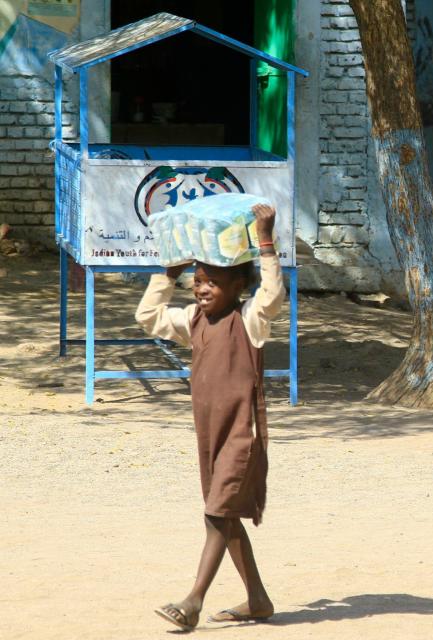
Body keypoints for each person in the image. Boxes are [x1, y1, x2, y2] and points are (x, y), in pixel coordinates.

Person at [135, 204, 284, 630]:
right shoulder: (193, 320)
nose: (202, 289)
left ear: (239, 285)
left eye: (213, 282)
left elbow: (272, 295)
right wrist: (167, 274)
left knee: (217, 513)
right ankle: (257, 599)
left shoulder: (250, 320)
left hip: (241, 433)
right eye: (198, 281)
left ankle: (193, 601)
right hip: (209, 434)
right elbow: (147, 317)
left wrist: (266, 241)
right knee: (225, 513)